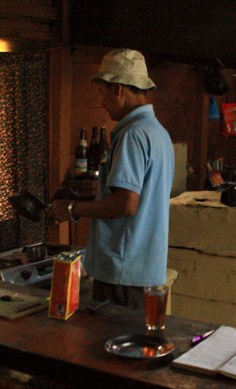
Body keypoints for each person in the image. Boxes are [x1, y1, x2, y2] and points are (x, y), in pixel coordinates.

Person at [47, 48, 174, 310]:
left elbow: (126, 204)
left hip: (122, 272)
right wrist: (82, 197)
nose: (102, 102)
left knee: (111, 336)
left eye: (102, 92)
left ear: (118, 89)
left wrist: (72, 209)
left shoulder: (132, 135)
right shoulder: (157, 132)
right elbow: (131, 196)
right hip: (142, 269)